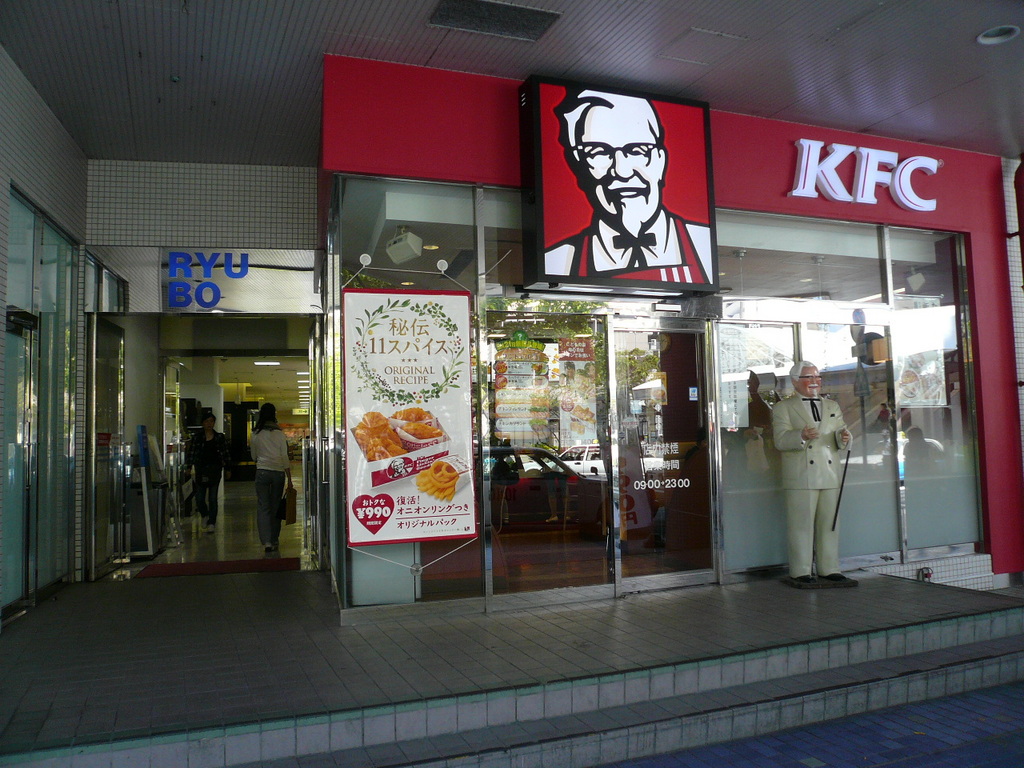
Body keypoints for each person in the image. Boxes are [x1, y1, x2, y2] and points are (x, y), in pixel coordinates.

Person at [544, 87, 712, 285]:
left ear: (660, 160)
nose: (622, 171)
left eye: (637, 150)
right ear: (579, 166)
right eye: (599, 152)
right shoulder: (559, 262)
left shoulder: (703, 245)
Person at [772, 361, 856, 588]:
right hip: (801, 475)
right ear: (795, 381)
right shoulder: (783, 408)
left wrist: (843, 437)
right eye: (808, 377)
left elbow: (840, 432)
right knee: (801, 525)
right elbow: (780, 440)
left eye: (817, 377)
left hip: (829, 473)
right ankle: (801, 570)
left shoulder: (832, 405)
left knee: (830, 524)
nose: (814, 381)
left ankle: (829, 568)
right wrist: (800, 435)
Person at [249, 403, 293, 553]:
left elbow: (253, 456)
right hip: (278, 473)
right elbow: (284, 457)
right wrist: (289, 478)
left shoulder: (255, 433)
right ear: (274, 414)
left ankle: (266, 541)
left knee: (263, 506)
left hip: (262, 471)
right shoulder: (279, 434)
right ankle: (274, 539)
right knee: (275, 506)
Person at [185, 413, 231, 532]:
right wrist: (189, 466)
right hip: (201, 470)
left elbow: (225, 453)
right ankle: (204, 514)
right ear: (202, 423)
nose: (209, 424)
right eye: (206, 421)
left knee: (212, 498)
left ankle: (212, 522)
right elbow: (192, 453)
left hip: (215, 470)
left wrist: (228, 468)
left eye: (211, 421)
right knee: (199, 498)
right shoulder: (197, 438)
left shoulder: (219, 437)